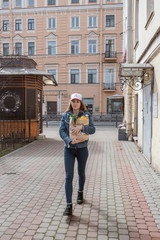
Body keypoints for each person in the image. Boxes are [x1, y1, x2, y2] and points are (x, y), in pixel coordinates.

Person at [59, 93, 95, 216]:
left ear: (81, 103)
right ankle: (68, 205)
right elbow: (61, 131)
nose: (75, 103)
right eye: (73, 101)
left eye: (77, 101)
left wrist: (81, 127)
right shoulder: (65, 115)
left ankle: (80, 192)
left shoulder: (86, 115)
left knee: (81, 172)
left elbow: (93, 130)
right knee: (69, 176)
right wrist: (68, 140)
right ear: (71, 102)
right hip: (68, 149)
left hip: (82, 149)